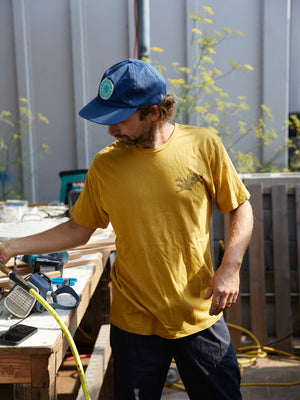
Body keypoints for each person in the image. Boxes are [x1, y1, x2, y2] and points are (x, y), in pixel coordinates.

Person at [0, 59, 253, 399]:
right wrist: (12, 246)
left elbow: (240, 206)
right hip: (134, 323)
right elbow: (78, 229)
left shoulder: (203, 145)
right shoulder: (105, 165)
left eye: (119, 118)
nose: (109, 130)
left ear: (153, 112)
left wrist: (231, 268)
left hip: (198, 311)